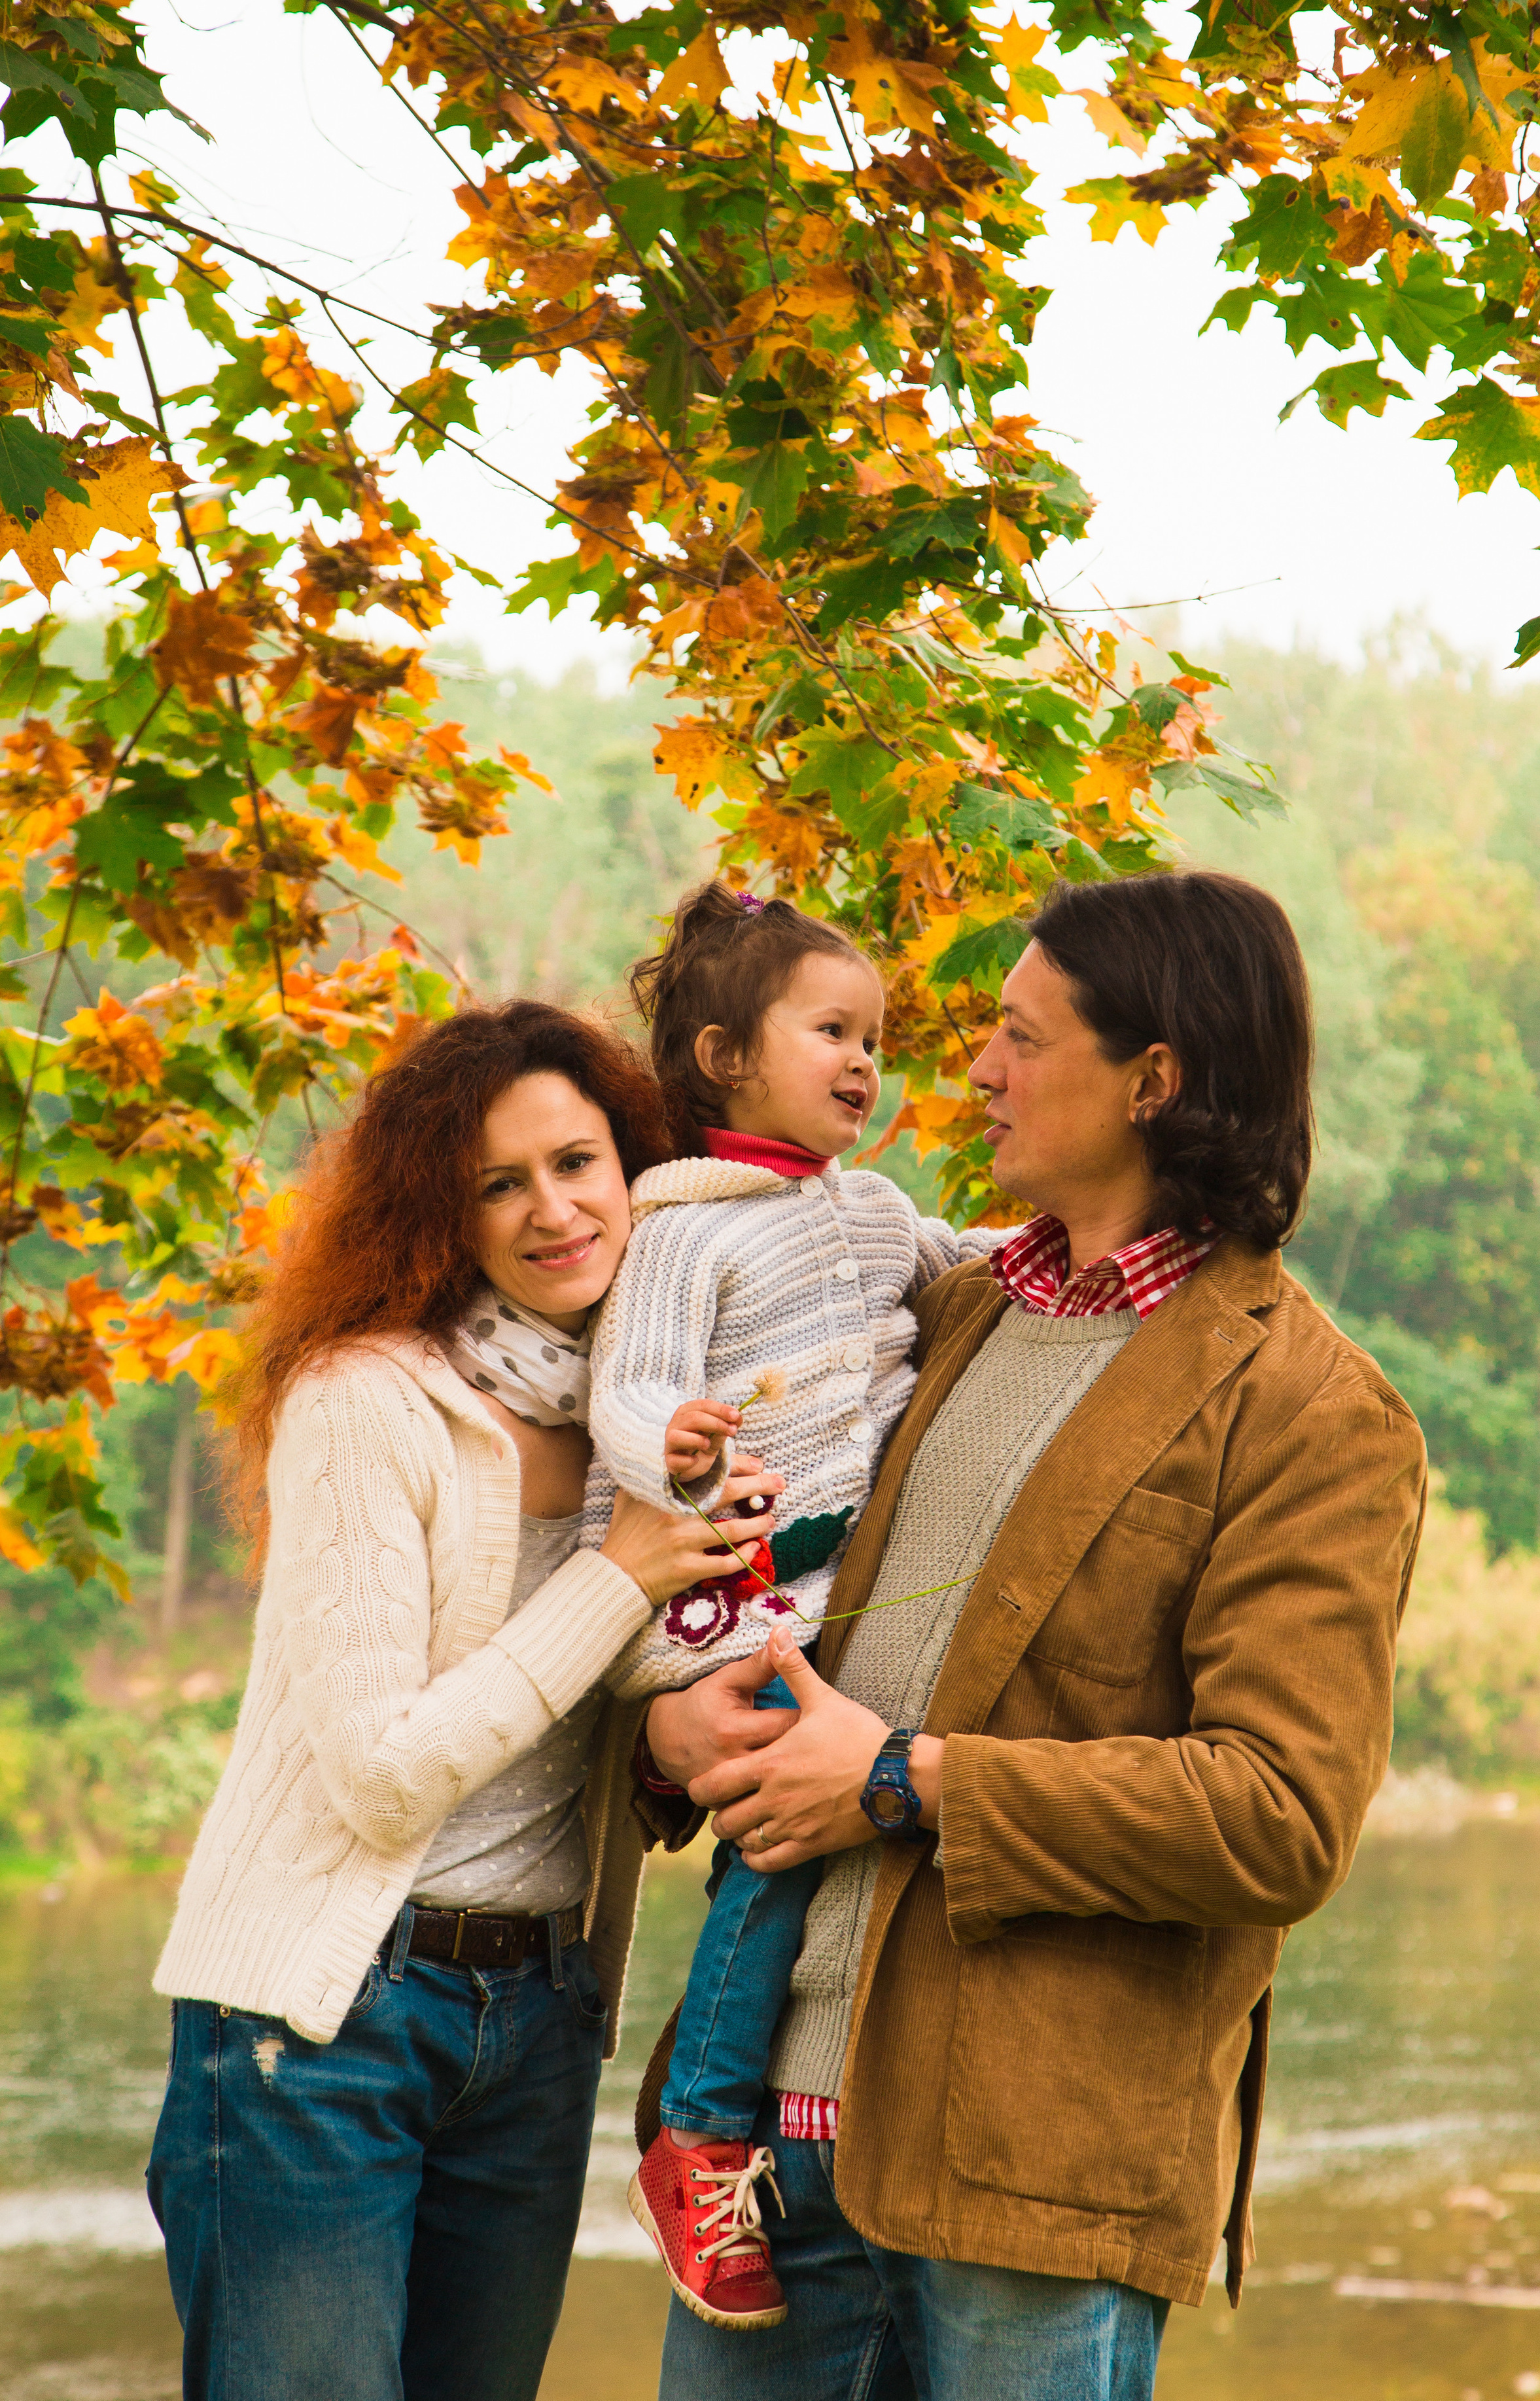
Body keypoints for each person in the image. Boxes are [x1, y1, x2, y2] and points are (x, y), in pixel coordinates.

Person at [635, 869, 1429, 2401]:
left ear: (1154, 1077)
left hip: (1032, 2196)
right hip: (759, 2180)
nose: (977, 1070)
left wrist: (902, 1780)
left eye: (1019, 1035)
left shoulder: (1316, 1416)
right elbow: (757, 1580)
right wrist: (665, 1737)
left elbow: (1277, 1815)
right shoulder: (945, 1311)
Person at [145, 1002, 783, 2401]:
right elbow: (382, 1772)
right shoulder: (365, 1401)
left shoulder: (651, 1424)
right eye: (499, 1184)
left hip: (540, 2014)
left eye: (576, 1162)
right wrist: (617, 1578)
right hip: (323, 2030)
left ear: (634, 1171)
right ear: (441, 1211)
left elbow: (606, 1704)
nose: (553, 1210)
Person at [580, 881, 1000, 2329]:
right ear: (721, 1057)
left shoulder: (873, 1209)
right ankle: (697, 2130)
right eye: (830, 1029)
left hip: (839, 1591)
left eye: (874, 1036)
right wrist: (673, 1444)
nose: (863, 1060)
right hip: (736, 1585)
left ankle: (737, 2118)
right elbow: (626, 1391)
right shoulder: (681, 1233)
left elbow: (971, 1274)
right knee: (768, 1850)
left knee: (803, 1835)